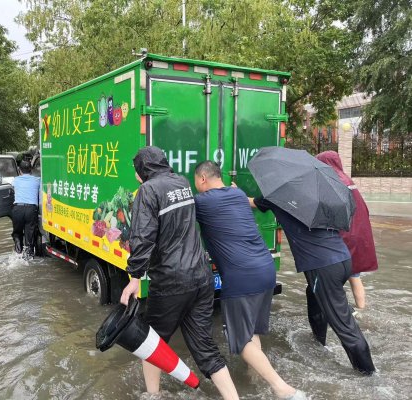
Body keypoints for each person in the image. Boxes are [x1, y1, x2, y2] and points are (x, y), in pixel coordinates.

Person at [120, 147, 239, 400]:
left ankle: (153, 395)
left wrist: (134, 278)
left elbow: (142, 238)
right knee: (205, 346)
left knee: (151, 343)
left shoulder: (148, 191)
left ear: (143, 169)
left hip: (171, 281)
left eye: (136, 169)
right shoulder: (182, 182)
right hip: (201, 277)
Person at [194, 161, 306, 400]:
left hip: (240, 276)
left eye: (196, 182)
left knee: (239, 338)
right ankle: (254, 378)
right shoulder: (237, 194)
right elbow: (239, 200)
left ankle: (281, 388)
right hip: (265, 270)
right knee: (251, 329)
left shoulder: (202, 202)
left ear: (203, 179)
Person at [249, 192, 376, 375]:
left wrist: (234, 190)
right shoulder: (318, 199)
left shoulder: (278, 196)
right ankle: (319, 341)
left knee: (343, 324)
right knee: (314, 295)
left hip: (323, 265)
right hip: (342, 258)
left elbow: (251, 202)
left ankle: (369, 374)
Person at [316, 151, 378, 311]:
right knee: (354, 276)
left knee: (335, 278)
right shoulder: (348, 180)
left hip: (343, 237)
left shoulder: (330, 182)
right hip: (359, 232)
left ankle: (336, 313)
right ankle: (361, 310)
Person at [11, 160, 40, 260]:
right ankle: (29, 254)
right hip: (31, 210)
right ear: (31, 170)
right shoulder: (37, 180)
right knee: (30, 234)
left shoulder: (15, 180)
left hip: (17, 209)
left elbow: (13, 189)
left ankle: (18, 250)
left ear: (19, 170)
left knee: (17, 232)